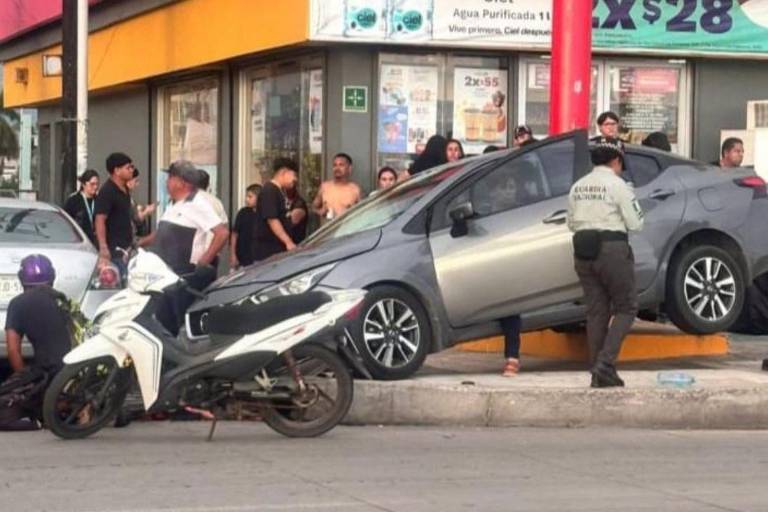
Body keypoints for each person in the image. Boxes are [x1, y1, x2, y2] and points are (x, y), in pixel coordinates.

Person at [567, 137, 644, 388]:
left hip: (582, 251)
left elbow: (570, 222)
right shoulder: (618, 185)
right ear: (616, 160)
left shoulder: (578, 186)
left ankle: (597, 373)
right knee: (627, 307)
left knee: (597, 311)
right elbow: (636, 223)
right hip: (612, 249)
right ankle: (606, 363)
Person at [2, 255, 72, 430]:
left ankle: (38, 418)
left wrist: (24, 379)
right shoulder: (61, 299)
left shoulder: (17, 304)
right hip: (72, 373)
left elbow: (12, 350)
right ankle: (65, 407)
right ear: (53, 277)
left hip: (46, 374)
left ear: (21, 279)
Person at [142, 160, 229, 276]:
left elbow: (222, 233)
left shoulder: (198, 203)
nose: (167, 182)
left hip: (184, 274)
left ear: (181, 183)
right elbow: (162, 233)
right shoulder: (173, 204)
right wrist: (139, 243)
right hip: (164, 272)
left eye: (170, 178)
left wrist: (203, 263)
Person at [94, 152, 136, 276]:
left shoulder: (125, 189)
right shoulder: (107, 191)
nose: (131, 170)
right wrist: (103, 246)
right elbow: (100, 219)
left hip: (127, 248)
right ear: (117, 170)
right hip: (114, 250)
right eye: (128, 168)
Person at [254, 158, 300, 261]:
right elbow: (272, 219)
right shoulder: (270, 190)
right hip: (269, 251)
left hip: (276, 250)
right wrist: (288, 242)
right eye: (294, 175)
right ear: (284, 172)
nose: (295, 179)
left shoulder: (279, 191)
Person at [312, 153, 362, 223]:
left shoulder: (355, 190)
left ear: (349, 168)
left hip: (347, 230)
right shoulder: (325, 187)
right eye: (335, 165)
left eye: (341, 165)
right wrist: (320, 212)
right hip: (327, 230)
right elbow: (314, 207)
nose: (337, 168)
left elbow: (362, 214)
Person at [63, 169, 100, 245]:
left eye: (97, 184)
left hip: (96, 242)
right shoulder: (73, 200)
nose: (95, 187)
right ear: (83, 184)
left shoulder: (99, 200)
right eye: (92, 184)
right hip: (79, 241)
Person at [230, 184, 261, 270]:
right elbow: (234, 234)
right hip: (241, 258)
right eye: (246, 196)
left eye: (250, 197)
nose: (246, 199)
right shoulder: (243, 213)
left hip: (257, 258)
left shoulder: (264, 214)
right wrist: (233, 254)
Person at [125, 168, 156, 238]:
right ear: (128, 182)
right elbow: (134, 220)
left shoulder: (129, 198)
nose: (137, 184)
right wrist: (146, 212)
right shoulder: (123, 198)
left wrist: (141, 208)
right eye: (136, 181)